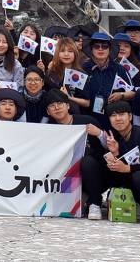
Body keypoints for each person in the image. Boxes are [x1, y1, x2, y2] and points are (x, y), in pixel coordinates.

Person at [44, 89, 106, 219]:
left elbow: (108, 146)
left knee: (87, 162)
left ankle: (95, 203)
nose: (57, 108)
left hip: (93, 172)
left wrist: (99, 133)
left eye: (60, 103)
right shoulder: (48, 129)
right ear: (48, 112)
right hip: (66, 177)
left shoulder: (87, 121)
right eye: (52, 106)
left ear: (68, 105)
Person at [81, 31, 132, 127]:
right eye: (96, 46)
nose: (100, 49)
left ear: (110, 49)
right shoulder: (82, 68)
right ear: (91, 49)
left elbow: (133, 92)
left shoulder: (119, 69)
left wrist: (121, 95)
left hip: (114, 120)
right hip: (88, 120)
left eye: (104, 46)